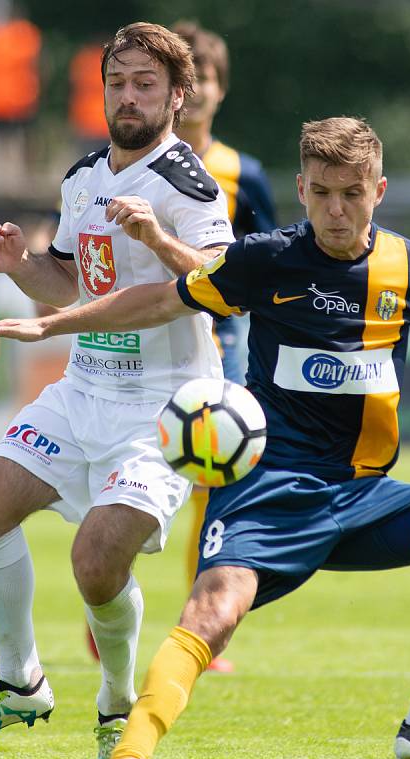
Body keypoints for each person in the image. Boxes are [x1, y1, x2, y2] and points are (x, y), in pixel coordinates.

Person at [0, 116, 410, 759]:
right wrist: (50, 323)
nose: (336, 210)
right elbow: (157, 301)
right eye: (321, 193)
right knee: (212, 615)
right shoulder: (268, 258)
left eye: (352, 193)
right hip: (269, 488)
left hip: (362, 494)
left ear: (379, 189)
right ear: (301, 189)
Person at [0, 22, 234, 759]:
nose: (128, 97)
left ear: (178, 94)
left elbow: (214, 286)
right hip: (84, 391)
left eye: (145, 84)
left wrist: (160, 243)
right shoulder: (82, 177)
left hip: (164, 405)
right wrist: (20, 267)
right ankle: (20, 680)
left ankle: (114, 705)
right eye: (117, 82)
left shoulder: (186, 182)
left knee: (96, 559)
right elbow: (75, 283)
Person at [172, 21, 277, 672]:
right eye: (188, 80)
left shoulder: (244, 173)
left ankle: (197, 625)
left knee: (215, 481)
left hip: (225, 338)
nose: (199, 90)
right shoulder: (129, 163)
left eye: (206, 77)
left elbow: (273, 264)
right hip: (147, 335)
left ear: (220, 88)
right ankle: (109, 599)